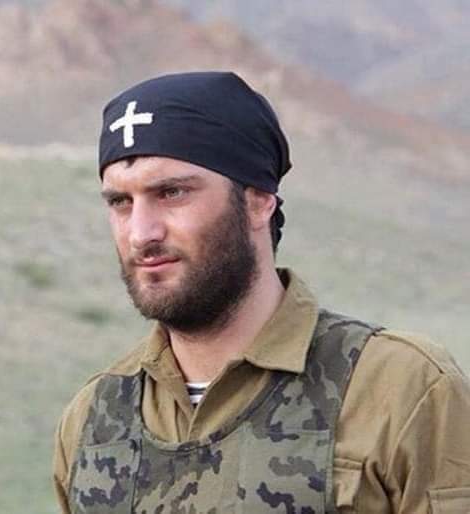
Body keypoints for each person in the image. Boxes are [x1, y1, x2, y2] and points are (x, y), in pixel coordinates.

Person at [53, 71, 470, 513]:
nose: (141, 233)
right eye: (120, 202)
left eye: (172, 192)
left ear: (258, 202)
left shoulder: (399, 389)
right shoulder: (94, 420)